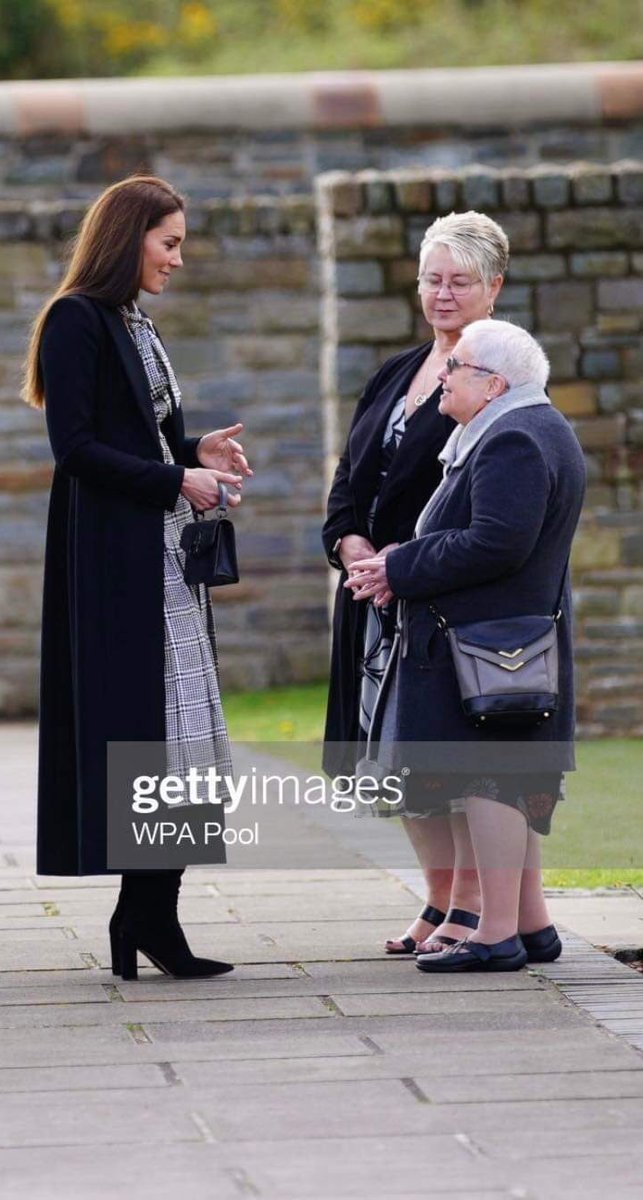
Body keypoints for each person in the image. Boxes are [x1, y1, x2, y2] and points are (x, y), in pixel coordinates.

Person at [23, 175, 252, 980]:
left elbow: (148, 439)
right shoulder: (75, 320)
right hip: (118, 564)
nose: (178, 259)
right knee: (148, 742)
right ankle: (144, 920)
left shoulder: (131, 321)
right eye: (169, 242)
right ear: (129, 239)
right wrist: (172, 481)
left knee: (183, 743)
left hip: (160, 557)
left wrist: (196, 456)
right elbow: (76, 449)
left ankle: (149, 918)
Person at [347, 319, 586, 972]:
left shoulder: (510, 436)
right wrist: (408, 557)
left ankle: (496, 937)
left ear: (493, 384)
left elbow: (496, 543)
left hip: (489, 645)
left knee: (491, 781)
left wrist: (400, 568)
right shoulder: (521, 427)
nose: (442, 376)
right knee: (499, 778)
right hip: (498, 641)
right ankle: (531, 928)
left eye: (455, 367)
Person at [322, 212, 508, 955]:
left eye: (459, 281)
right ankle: (435, 899)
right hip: (371, 596)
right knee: (392, 754)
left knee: (445, 755)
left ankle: (469, 903)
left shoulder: (500, 377)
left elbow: (485, 502)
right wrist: (350, 543)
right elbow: (347, 482)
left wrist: (403, 562)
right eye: (431, 278)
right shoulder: (392, 373)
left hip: (439, 602)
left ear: (492, 288)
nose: (441, 293)